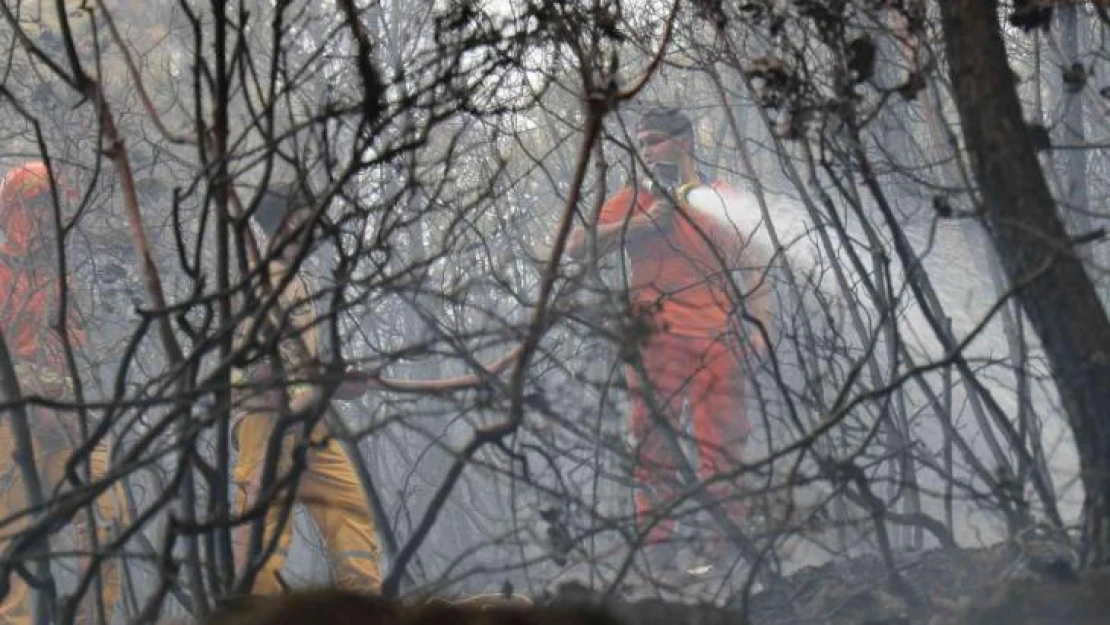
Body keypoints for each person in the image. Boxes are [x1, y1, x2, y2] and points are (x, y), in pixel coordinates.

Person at [565, 108, 773, 570]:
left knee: (723, 446)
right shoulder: (631, 201)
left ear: (685, 143)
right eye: (641, 143)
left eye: (656, 140)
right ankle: (660, 557)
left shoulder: (720, 198)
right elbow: (577, 246)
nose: (646, 151)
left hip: (718, 341)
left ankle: (729, 555)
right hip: (653, 341)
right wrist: (640, 225)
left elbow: (754, 264)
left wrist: (761, 323)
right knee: (652, 443)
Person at [230, 181, 383, 596]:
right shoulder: (263, 281)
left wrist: (335, 381)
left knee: (350, 512)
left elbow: (301, 367)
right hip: (265, 423)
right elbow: (256, 369)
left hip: (308, 422)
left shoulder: (297, 281)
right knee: (261, 539)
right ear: (287, 222)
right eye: (305, 217)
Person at [0, 160, 128, 624]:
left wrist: (80, 410)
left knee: (107, 517)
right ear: (14, 212)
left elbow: (82, 359)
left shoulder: (66, 281)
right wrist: (31, 400)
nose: (49, 218)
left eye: (54, 207)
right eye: (38, 207)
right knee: (14, 533)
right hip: (16, 429)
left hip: (74, 425)